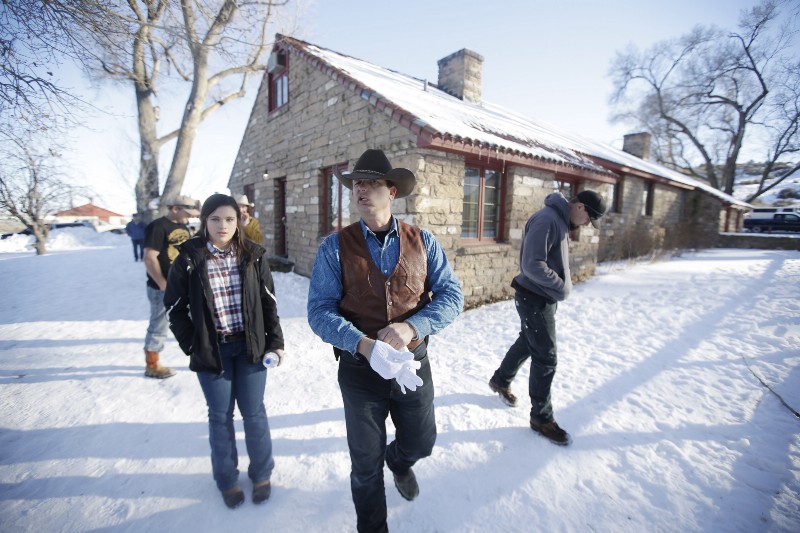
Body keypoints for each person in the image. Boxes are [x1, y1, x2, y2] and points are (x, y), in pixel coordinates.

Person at [307, 149, 463, 533]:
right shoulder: (334, 247)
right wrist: (361, 343)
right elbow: (319, 311)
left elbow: (452, 295)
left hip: (412, 366)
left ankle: (400, 461)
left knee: (423, 441)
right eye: (357, 184)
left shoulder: (423, 241)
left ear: (391, 191)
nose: (361, 190)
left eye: (372, 183)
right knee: (364, 465)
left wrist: (412, 328)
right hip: (361, 372)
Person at [164, 193, 284, 509]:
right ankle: (227, 480)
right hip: (212, 351)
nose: (223, 225)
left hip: (250, 348)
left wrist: (276, 342)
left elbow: (269, 303)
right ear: (205, 220)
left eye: (229, 219)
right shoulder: (189, 257)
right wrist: (192, 343)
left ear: (238, 220)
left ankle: (261, 474)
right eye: (215, 219)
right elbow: (174, 307)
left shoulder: (253, 256)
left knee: (254, 413)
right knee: (220, 417)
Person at [488, 189, 607, 446]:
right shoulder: (548, 219)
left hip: (540, 297)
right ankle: (541, 418)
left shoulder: (559, 221)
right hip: (535, 298)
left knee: (529, 342)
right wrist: (561, 287)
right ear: (580, 207)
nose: (587, 224)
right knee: (546, 356)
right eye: (589, 218)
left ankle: (500, 380)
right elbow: (532, 264)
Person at [142, 195, 200, 379]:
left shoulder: (182, 226)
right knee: (159, 326)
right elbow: (149, 257)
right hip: (163, 288)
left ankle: (198, 355)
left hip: (183, 286)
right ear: (174, 208)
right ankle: (152, 365)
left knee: (192, 321)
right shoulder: (158, 227)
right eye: (187, 212)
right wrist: (162, 284)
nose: (190, 217)